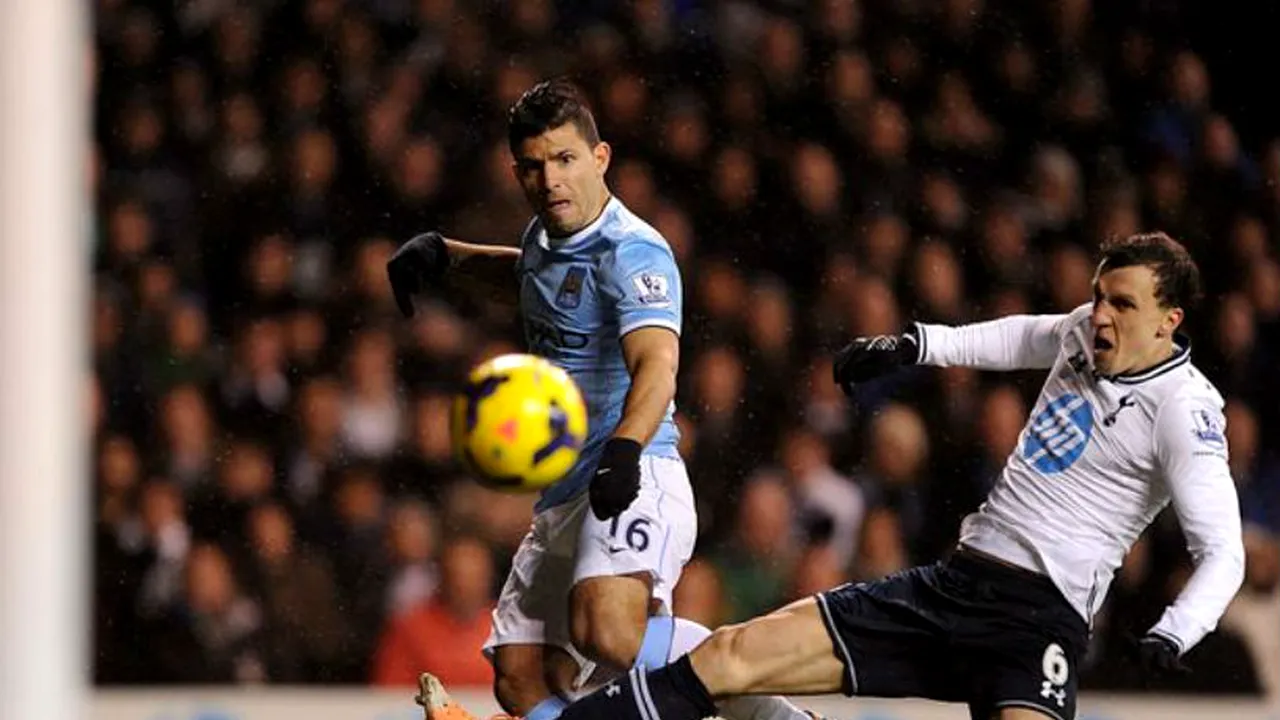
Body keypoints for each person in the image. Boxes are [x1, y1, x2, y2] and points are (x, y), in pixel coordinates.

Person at [494, 231, 1244, 720]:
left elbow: (1224, 553)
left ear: (1170, 320)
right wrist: (916, 345)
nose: (1099, 315)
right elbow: (1021, 335)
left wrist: (1176, 631)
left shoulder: (1185, 410)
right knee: (729, 658)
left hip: (1036, 623)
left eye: (1122, 304)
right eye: (1097, 296)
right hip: (953, 586)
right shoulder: (1084, 332)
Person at [387, 79, 810, 720]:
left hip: (635, 469)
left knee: (606, 634)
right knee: (521, 679)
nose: (550, 179)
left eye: (564, 159)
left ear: (600, 158)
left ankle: (771, 709)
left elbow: (658, 365)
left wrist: (624, 450)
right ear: (516, 172)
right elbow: (532, 282)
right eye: (533, 166)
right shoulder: (542, 239)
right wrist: (448, 259)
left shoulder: (632, 250)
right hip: (565, 490)